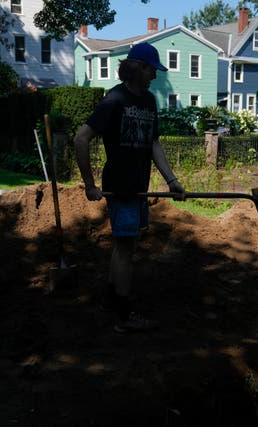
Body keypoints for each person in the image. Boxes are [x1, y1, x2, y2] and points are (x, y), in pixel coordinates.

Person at [74, 42, 185, 333]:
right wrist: (89, 184)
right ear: (138, 67)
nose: (155, 76)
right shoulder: (115, 99)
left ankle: (110, 300)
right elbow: (81, 139)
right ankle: (124, 317)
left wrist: (171, 181)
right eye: (152, 70)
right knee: (125, 249)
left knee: (127, 246)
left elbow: (154, 144)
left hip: (139, 188)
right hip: (120, 188)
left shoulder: (148, 101)